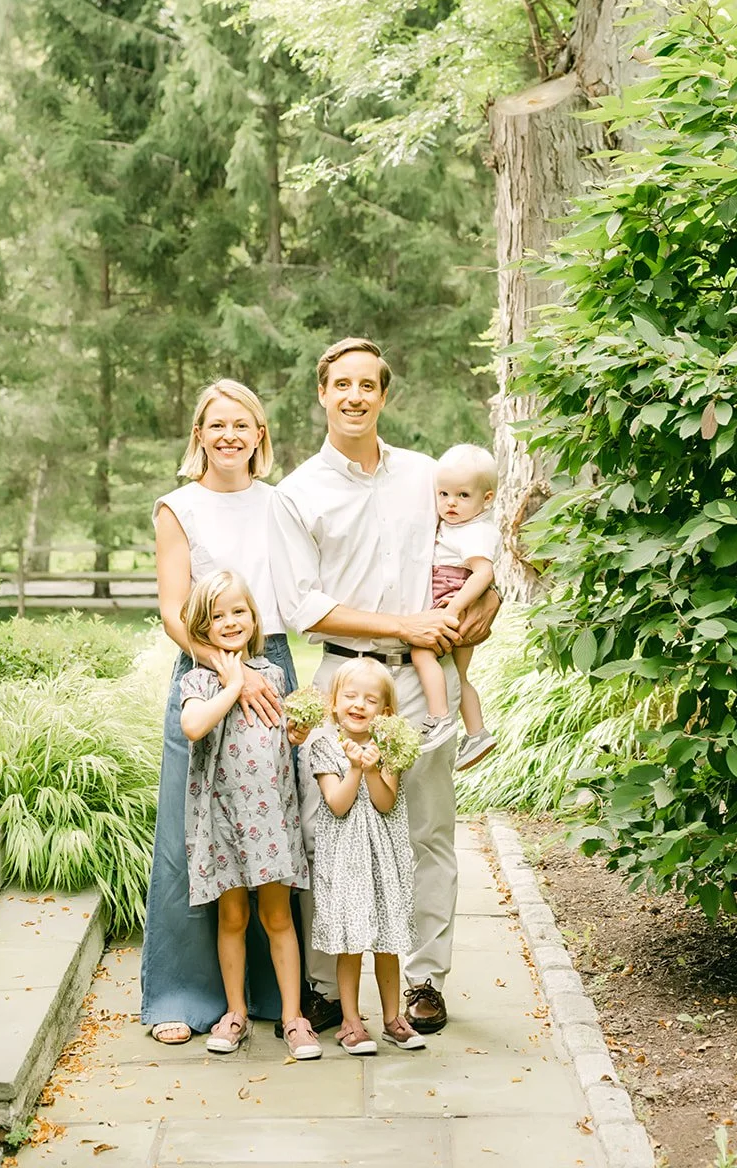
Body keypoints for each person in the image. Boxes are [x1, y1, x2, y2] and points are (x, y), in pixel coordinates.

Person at [269, 336, 500, 1035]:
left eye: (367, 385)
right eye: (341, 384)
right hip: (344, 676)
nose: (354, 397)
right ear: (321, 392)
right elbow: (301, 605)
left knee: (427, 830)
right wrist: (403, 622)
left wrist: (480, 615)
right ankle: (322, 984)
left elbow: (472, 551)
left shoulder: (426, 475)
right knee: (327, 826)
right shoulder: (297, 492)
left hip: (422, 679)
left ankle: (426, 980)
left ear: (384, 395)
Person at [140, 379, 311, 1046]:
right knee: (197, 838)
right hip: (207, 670)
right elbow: (170, 609)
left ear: (260, 435)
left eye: (243, 424)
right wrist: (224, 672)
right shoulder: (175, 507)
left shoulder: (280, 503)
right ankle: (186, 994)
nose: (230, 435)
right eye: (217, 425)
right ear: (199, 435)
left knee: (275, 832)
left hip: (275, 667)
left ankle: (282, 1001)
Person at [179, 570, 320, 1060]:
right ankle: (235, 1012)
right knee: (233, 916)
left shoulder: (275, 677)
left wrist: (297, 734)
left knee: (277, 916)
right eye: (218, 616)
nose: (230, 621)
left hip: (271, 824)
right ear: (202, 628)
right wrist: (232, 682)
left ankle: (293, 1017)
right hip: (222, 820)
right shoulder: (197, 680)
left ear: (254, 617)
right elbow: (194, 726)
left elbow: (287, 738)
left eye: (238, 611)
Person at [309, 658, 426, 1055]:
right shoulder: (325, 746)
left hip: (383, 860)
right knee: (351, 941)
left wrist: (374, 769)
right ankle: (351, 1021)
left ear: (386, 712)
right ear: (334, 702)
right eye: (350, 696)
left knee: (388, 941)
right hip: (345, 861)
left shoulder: (390, 747)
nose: (359, 705)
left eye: (371, 699)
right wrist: (355, 769)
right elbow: (338, 805)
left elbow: (385, 802)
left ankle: (394, 1019)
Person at [413, 443, 502, 771]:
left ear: (486, 499)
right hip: (457, 599)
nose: (450, 503)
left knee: (420, 652)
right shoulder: (460, 525)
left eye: (463, 495)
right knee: (461, 675)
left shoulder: (476, 531)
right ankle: (477, 732)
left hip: (452, 598)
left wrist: (453, 609)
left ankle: (438, 718)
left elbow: (484, 572)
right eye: (444, 494)